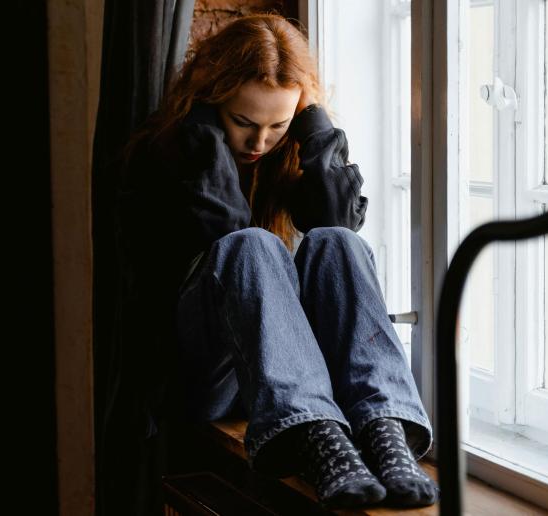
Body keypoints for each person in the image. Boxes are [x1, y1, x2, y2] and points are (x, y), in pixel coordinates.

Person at [120, 13, 437, 509]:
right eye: (242, 122)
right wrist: (205, 140)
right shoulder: (166, 159)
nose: (259, 143)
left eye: (279, 124)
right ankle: (315, 437)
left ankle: (385, 428)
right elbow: (228, 236)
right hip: (206, 381)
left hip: (282, 378)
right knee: (251, 245)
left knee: (339, 243)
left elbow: (338, 222)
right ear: (211, 100)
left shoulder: (288, 152)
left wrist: (316, 131)